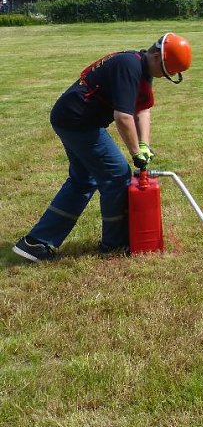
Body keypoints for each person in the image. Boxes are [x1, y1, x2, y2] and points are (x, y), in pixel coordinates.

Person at [12, 33, 193, 262]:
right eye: (165, 72)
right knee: (117, 175)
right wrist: (136, 154)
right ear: (156, 56)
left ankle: (35, 243)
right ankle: (114, 245)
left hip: (70, 118)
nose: (164, 77)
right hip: (78, 121)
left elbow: (142, 109)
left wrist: (145, 144)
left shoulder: (141, 67)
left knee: (82, 181)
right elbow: (123, 117)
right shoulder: (130, 67)